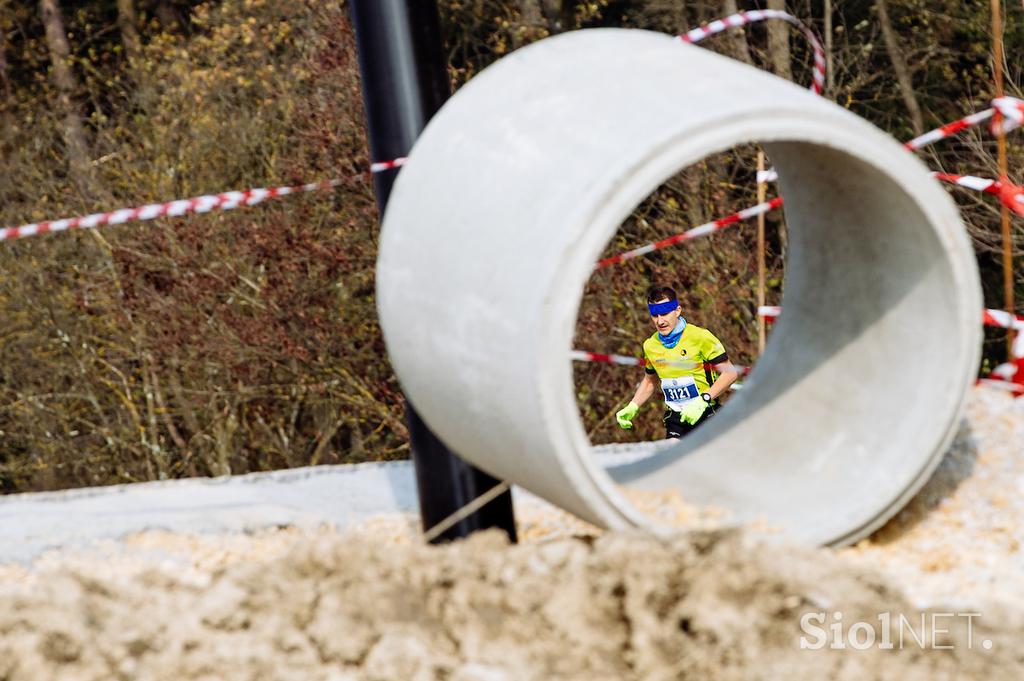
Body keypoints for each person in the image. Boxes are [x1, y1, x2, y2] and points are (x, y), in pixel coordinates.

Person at [615, 285, 740, 439]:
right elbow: (649, 381)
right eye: (655, 315)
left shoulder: (700, 337)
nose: (660, 321)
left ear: (678, 311)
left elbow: (730, 373)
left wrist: (704, 400)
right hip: (676, 419)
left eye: (665, 314)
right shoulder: (650, 345)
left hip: (706, 414)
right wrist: (632, 406)